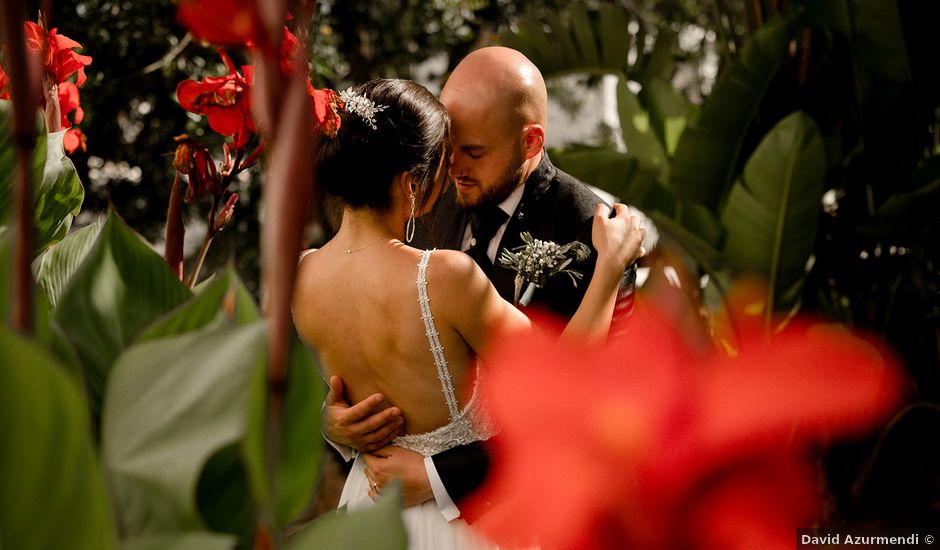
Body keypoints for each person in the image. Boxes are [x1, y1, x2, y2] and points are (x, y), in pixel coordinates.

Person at [292, 78, 645, 549]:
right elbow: (559, 377)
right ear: (410, 184)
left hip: (369, 512)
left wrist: (328, 421)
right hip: (463, 529)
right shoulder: (445, 278)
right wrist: (610, 267)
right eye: (443, 163)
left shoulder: (301, 275)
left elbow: (320, 391)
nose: (453, 173)